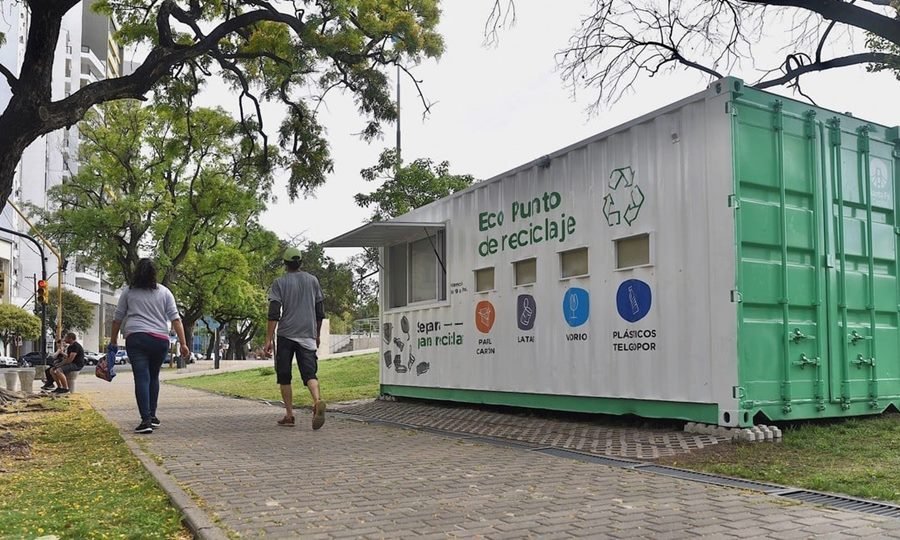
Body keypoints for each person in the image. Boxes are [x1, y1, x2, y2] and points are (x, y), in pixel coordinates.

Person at [110, 258, 189, 434]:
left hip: (136, 338)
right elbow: (176, 319)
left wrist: (113, 340)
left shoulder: (128, 292)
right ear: (154, 273)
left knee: (141, 378)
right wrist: (183, 343)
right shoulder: (165, 292)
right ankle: (152, 416)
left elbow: (117, 318)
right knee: (153, 377)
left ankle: (145, 420)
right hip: (159, 340)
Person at [263, 247, 326, 429]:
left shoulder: (279, 283)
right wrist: (317, 334)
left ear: (285, 264)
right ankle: (317, 401)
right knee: (310, 373)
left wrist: (268, 339)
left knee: (284, 376)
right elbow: (319, 312)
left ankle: (289, 415)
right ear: (301, 263)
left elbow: (274, 313)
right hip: (307, 334)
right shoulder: (313, 281)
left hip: (286, 335)